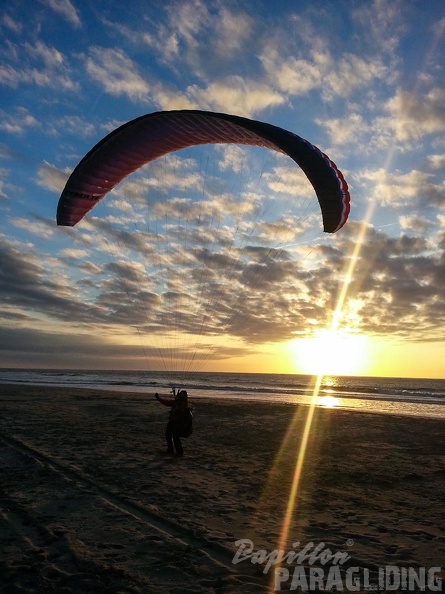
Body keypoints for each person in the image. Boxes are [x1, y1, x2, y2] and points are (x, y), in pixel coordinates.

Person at [155, 388, 190, 457]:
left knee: (175, 436)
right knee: (168, 434)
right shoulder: (176, 402)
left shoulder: (183, 405)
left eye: (180, 396)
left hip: (179, 423)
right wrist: (158, 398)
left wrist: (177, 406)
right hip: (172, 422)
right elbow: (167, 402)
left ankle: (179, 452)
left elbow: (180, 411)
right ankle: (170, 450)